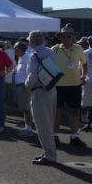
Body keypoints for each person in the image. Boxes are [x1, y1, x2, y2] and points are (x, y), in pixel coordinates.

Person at [24, 31, 58, 165]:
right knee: (49, 122)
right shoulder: (51, 52)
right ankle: (49, 152)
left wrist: (26, 84)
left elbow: (32, 78)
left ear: (31, 42)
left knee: (43, 125)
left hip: (40, 90)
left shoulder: (34, 55)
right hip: (51, 88)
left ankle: (50, 155)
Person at [52, 24, 87, 147]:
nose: (66, 38)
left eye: (68, 36)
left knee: (75, 111)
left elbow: (84, 63)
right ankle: (54, 136)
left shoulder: (78, 48)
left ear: (73, 37)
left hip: (75, 84)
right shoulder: (54, 49)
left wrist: (84, 75)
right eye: (63, 36)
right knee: (57, 112)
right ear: (60, 37)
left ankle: (74, 137)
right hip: (58, 85)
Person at [13, 41, 34, 137]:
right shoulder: (21, 58)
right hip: (21, 86)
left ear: (20, 49)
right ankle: (27, 127)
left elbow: (31, 72)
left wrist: (26, 84)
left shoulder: (27, 58)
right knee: (25, 109)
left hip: (24, 87)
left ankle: (29, 128)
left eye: (15, 48)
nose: (14, 50)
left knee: (26, 108)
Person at [3, 41, 16, 106]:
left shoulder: (7, 52)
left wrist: (5, 72)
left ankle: (7, 104)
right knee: (9, 89)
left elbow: (11, 63)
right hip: (10, 73)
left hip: (6, 73)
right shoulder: (12, 52)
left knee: (7, 90)